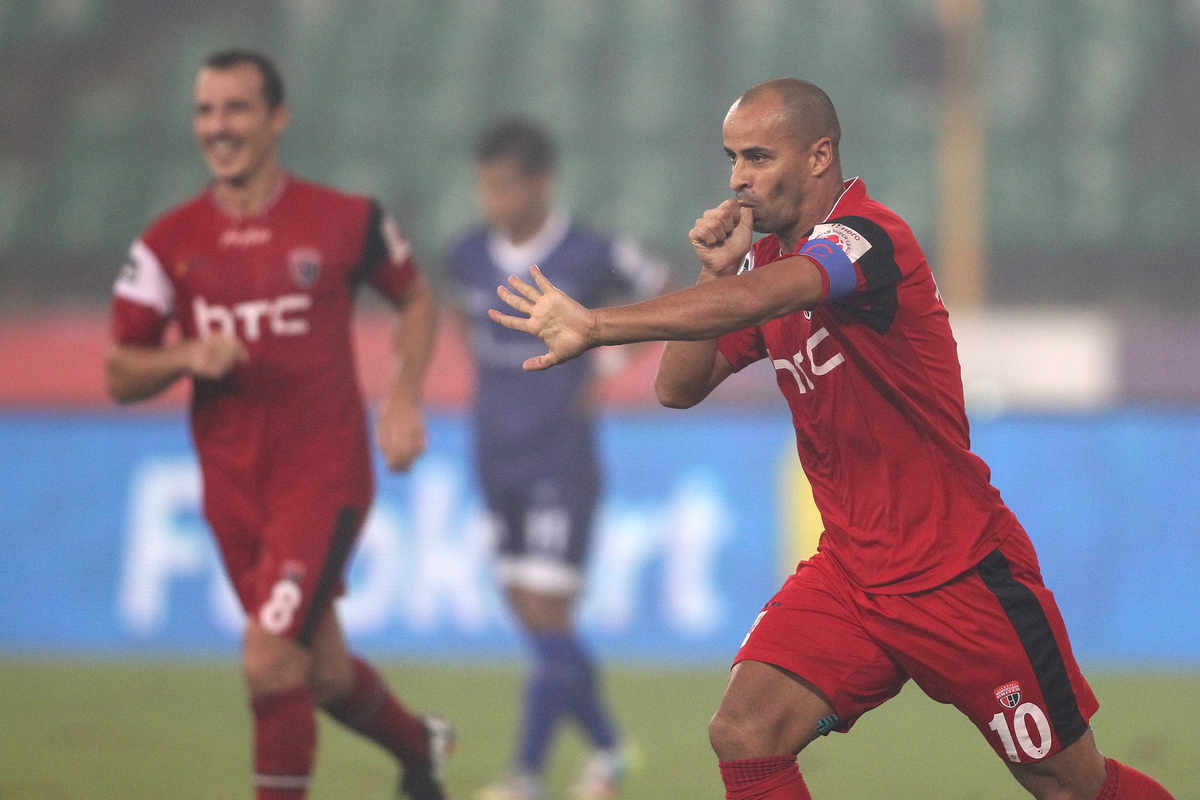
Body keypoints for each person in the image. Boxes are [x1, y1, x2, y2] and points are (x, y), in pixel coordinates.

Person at [489, 79, 1176, 800]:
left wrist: (599, 325)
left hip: (958, 572)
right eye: (732, 158)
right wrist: (712, 271)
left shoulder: (869, 238)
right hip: (852, 575)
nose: (738, 179)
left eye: (758, 157)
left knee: (1072, 787)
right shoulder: (758, 266)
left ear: (818, 156)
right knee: (746, 731)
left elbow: (771, 295)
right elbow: (678, 388)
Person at [106, 49, 453, 800]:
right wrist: (185, 355)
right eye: (205, 111)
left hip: (323, 477)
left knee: (267, 661)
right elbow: (119, 372)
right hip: (232, 489)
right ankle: (419, 747)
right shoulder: (167, 243)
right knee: (319, 673)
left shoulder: (346, 220)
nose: (218, 127)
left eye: (236, 108)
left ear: (276, 118)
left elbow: (416, 298)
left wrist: (401, 397)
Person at [445, 119, 667, 800]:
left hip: (560, 456)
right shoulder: (465, 255)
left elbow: (661, 284)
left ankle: (526, 775)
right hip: (495, 452)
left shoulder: (587, 251)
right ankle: (609, 749)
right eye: (486, 186)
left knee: (547, 606)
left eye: (506, 186)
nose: (494, 200)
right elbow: (458, 317)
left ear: (541, 183)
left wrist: (612, 364)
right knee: (528, 608)